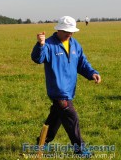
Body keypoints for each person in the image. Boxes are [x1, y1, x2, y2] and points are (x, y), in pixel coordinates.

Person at [31, 16, 101, 156]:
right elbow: (38, 58)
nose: (70, 34)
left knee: (55, 119)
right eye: (67, 31)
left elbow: (82, 63)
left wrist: (92, 73)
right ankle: (80, 150)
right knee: (71, 117)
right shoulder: (49, 44)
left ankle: (41, 144)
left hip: (69, 90)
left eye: (72, 31)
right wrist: (40, 45)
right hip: (58, 90)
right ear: (59, 30)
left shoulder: (75, 44)